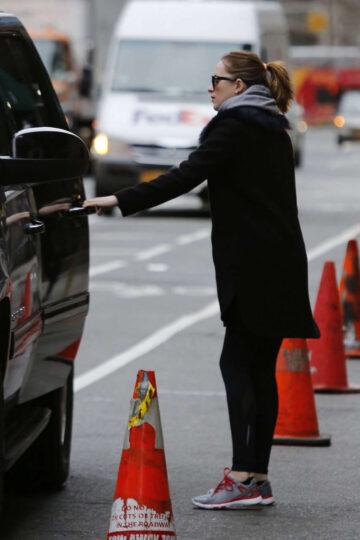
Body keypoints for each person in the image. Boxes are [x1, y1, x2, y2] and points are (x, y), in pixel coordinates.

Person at [83, 51, 320, 509]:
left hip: (252, 265)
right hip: (281, 261)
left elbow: (185, 176)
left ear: (238, 86)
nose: (210, 87)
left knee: (236, 365)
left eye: (216, 79)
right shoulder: (272, 126)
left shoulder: (235, 126)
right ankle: (256, 477)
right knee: (257, 369)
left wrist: (117, 199)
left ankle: (241, 477)